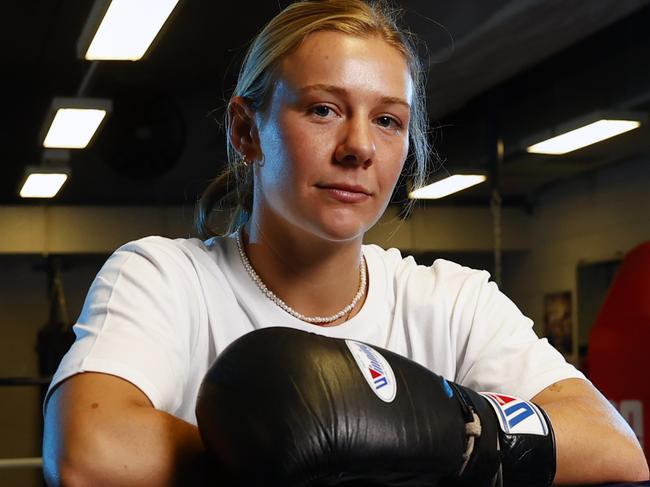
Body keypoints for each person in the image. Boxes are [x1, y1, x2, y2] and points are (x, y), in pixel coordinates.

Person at [42, 1, 648, 486]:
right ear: (247, 130)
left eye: (387, 120)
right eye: (325, 109)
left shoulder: (452, 302)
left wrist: (448, 437)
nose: (359, 146)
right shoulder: (165, 278)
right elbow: (89, 453)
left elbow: (615, 449)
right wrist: (304, 446)